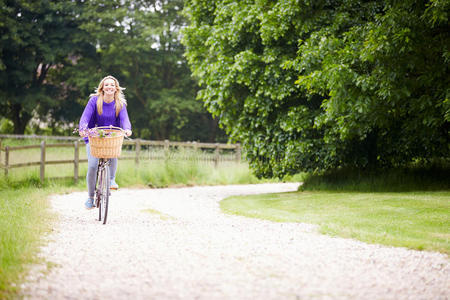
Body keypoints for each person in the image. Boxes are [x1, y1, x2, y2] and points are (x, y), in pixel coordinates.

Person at [79, 75, 132, 209]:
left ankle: (111, 179)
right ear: (102, 87)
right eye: (107, 85)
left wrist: (127, 129)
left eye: (112, 85)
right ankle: (90, 197)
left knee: (113, 150)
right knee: (92, 166)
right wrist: (83, 129)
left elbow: (125, 119)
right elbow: (85, 117)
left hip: (112, 136)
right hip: (94, 136)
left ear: (116, 88)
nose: (109, 87)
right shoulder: (94, 101)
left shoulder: (120, 104)